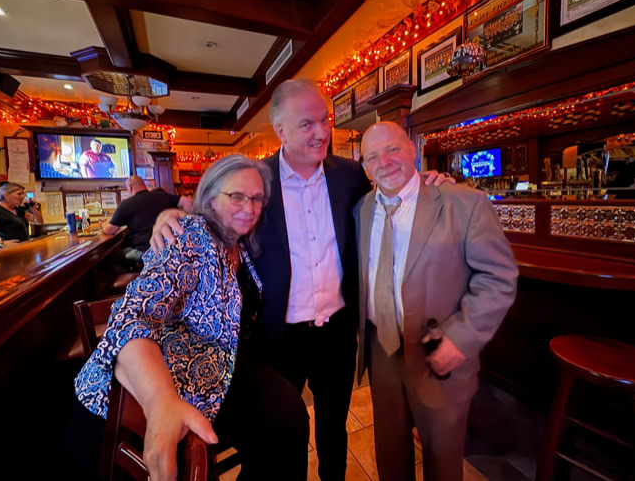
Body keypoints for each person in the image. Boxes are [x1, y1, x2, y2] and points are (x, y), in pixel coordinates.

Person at [150, 79, 448, 480]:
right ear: (281, 130)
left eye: (324, 120)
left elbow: (391, 200)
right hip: (277, 335)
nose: (321, 132)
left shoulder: (350, 176)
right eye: (307, 124)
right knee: (279, 436)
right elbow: (213, 213)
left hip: (337, 332)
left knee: (333, 427)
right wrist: (170, 213)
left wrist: (430, 185)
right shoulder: (256, 180)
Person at [71, 155, 309, 481]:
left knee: (286, 421)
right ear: (209, 198)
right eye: (236, 196)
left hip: (214, 374)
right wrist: (160, 400)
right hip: (144, 393)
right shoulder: (190, 235)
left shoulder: (242, 243)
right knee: (284, 424)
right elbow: (132, 313)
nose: (250, 207)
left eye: (256, 198)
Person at [355, 122, 518, 481]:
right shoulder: (362, 209)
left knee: (442, 458)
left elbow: (499, 278)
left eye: (393, 149)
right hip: (382, 349)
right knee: (390, 453)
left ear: (413, 149)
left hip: (438, 350)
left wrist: (460, 339)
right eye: (373, 156)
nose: (384, 162)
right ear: (364, 166)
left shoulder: (465, 203)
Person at [101, 175, 192, 263]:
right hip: (167, 249)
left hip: (142, 251)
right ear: (143, 184)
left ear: (130, 187)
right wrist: (184, 225)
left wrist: (103, 224)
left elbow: (110, 230)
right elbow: (188, 202)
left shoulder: (126, 204)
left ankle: (138, 272)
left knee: (109, 260)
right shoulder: (163, 196)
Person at [0, 182, 44, 246]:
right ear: (6, 196)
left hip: (22, 249)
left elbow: (39, 221)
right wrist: (1, 242)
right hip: (8, 251)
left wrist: (33, 208)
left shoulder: (17, 210)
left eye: (23, 194)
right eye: (19, 194)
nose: (23, 196)